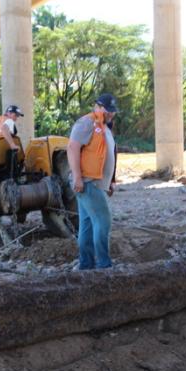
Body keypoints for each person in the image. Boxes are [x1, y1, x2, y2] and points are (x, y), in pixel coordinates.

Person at [67, 93, 118, 270]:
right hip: (88, 182)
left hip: (96, 183)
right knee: (103, 221)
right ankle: (104, 265)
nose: (111, 114)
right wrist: (77, 177)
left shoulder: (104, 126)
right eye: (107, 110)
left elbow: (108, 153)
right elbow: (72, 148)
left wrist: (110, 181)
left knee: (87, 224)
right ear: (98, 106)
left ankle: (86, 264)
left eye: (113, 111)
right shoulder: (86, 123)